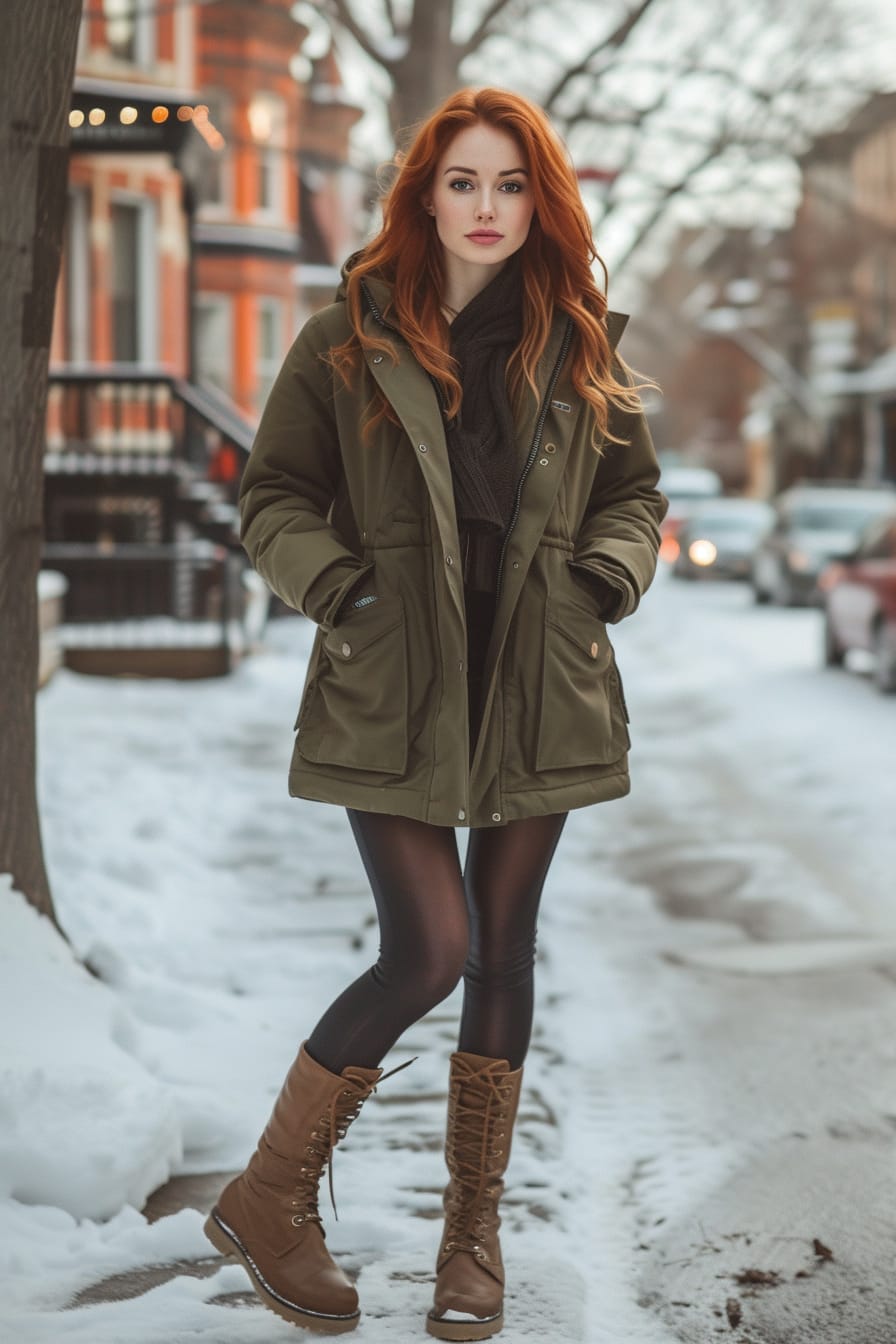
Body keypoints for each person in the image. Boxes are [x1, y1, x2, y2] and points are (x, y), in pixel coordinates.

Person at [204, 86, 667, 1339]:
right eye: (462, 181)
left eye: (510, 185)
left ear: (540, 202)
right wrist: (342, 590)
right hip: (391, 685)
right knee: (427, 950)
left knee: (501, 953)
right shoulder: (345, 339)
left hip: (534, 689)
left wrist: (601, 577)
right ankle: (268, 1195)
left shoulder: (577, 345)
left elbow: (634, 494)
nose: (486, 207)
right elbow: (274, 497)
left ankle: (471, 1234)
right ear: (423, 195)